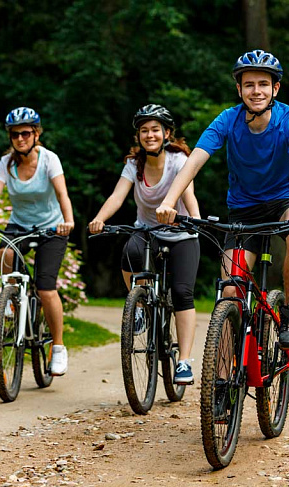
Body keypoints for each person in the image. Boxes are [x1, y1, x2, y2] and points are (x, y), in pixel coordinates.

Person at [156, 50, 289, 350]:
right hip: (243, 209)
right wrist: (168, 202)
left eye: (263, 83)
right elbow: (193, 162)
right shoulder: (227, 120)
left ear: (275, 89)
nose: (256, 90)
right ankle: (220, 380)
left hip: (285, 200)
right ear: (239, 89)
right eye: (249, 84)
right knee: (230, 290)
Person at [89, 104, 201, 384]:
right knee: (129, 252)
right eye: (144, 130)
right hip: (148, 231)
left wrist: (195, 220)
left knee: (181, 293)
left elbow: (188, 195)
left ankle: (184, 361)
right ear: (138, 136)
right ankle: (140, 306)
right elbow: (117, 196)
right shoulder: (134, 165)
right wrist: (100, 218)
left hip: (181, 233)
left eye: (155, 129)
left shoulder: (179, 160)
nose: (149, 135)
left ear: (167, 133)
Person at [0, 107, 75, 375]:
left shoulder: (50, 160)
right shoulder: (7, 163)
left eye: (26, 133)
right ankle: (13, 300)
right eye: (15, 134)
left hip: (52, 227)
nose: (20, 138)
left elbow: (62, 193)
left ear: (36, 134)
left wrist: (68, 220)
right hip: (20, 225)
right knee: (5, 253)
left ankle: (58, 348)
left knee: (46, 287)